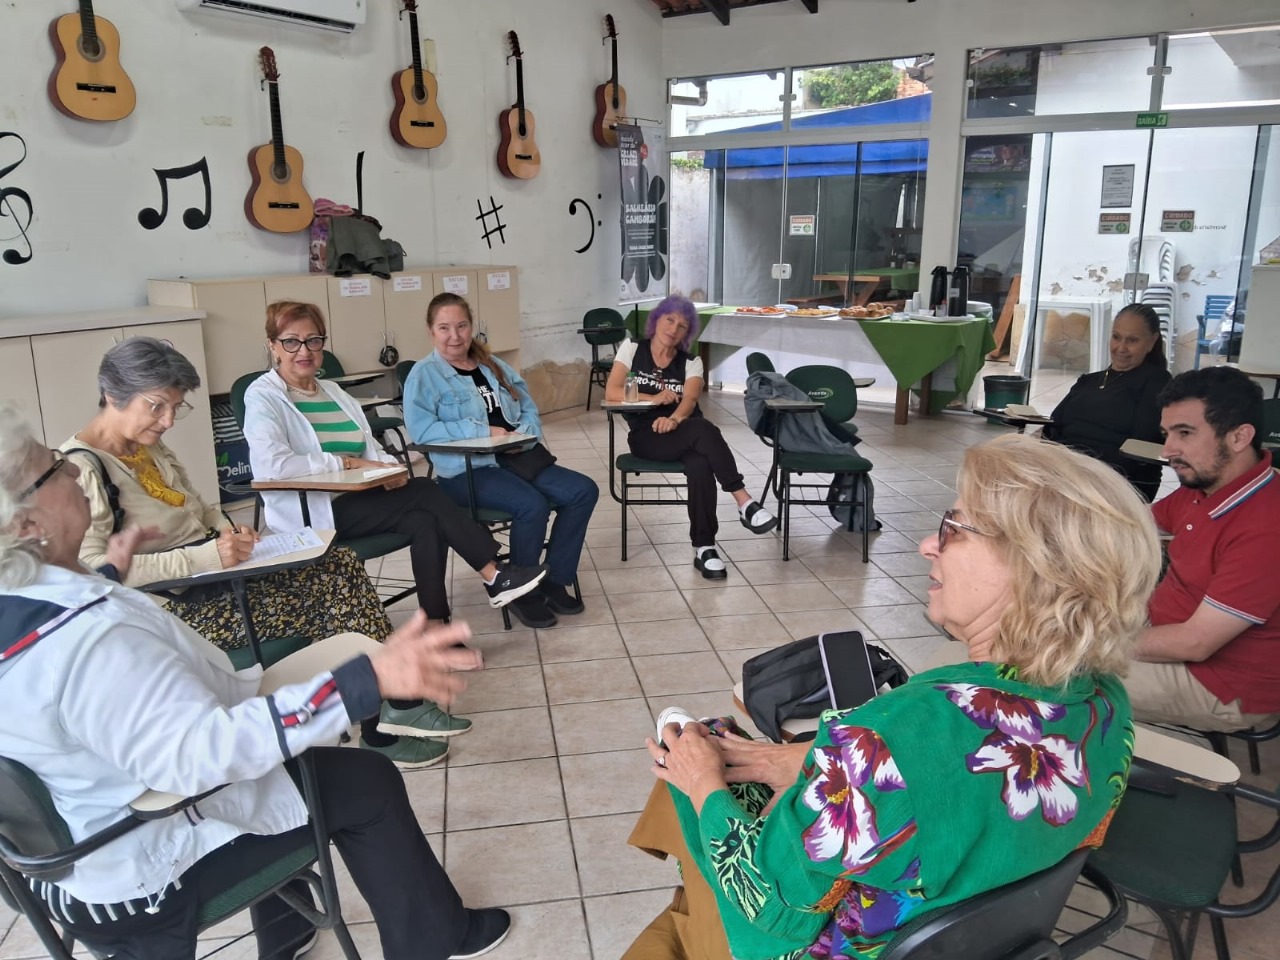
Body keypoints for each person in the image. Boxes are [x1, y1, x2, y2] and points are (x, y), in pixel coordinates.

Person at [0, 402, 511, 960]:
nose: (74, 470)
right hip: (137, 875)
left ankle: (287, 934)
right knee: (366, 783)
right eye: (55, 468)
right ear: (25, 524)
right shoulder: (96, 641)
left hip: (62, 865)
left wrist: (108, 574)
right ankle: (436, 940)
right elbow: (202, 754)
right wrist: (363, 681)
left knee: (297, 762)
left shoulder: (25, 601)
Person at [634, 434, 1158, 960]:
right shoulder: (1106, 707)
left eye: (954, 529)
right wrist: (818, 763)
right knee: (725, 758)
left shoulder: (886, 740)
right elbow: (961, 790)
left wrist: (702, 783)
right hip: (974, 945)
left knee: (695, 753)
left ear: (1032, 569)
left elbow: (774, 907)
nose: (928, 544)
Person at [62, 337, 461, 770]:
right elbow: (95, 570)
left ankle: (389, 706)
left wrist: (229, 531)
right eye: (157, 406)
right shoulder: (81, 468)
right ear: (112, 394)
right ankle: (386, 715)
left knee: (337, 563)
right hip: (176, 606)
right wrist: (207, 557)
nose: (169, 420)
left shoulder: (147, 444)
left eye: (176, 407)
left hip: (218, 576)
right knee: (328, 597)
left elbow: (200, 507)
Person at [242, 300, 546, 629]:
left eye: (313, 340)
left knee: (425, 521)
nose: (304, 351)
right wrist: (345, 463)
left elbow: (371, 446)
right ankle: (493, 574)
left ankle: (435, 626)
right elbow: (274, 466)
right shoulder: (263, 396)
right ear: (272, 346)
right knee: (425, 490)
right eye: (291, 342)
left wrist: (390, 468)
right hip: (315, 512)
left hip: (361, 499)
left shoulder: (332, 391)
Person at [402, 292, 598, 630]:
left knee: (583, 491)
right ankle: (522, 592)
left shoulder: (491, 364)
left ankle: (554, 580)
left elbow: (528, 407)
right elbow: (423, 432)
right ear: (430, 331)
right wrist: (483, 431)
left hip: (518, 460)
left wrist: (525, 435)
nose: (455, 336)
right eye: (444, 327)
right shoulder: (424, 375)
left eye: (462, 326)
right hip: (467, 472)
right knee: (531, 505)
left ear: (471, 326)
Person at [1125, 366, 1280, 733]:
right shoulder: (1206, 485)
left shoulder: (1267, 525)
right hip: (1170, 635)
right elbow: (1133, 523)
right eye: (1167, 434)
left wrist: (1093, 644)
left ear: (1239, 437)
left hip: (1222, 683)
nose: (1168, 450)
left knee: (1050, 672)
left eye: (1185, 433)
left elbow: (1195, 643)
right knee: (1041, 628)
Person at [604, 295, 777, 581]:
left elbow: (690, 399)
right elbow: (612, 392)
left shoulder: (691, 361)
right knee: (704, 430)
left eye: (682, 326)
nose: (674, 329)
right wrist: (653, 398)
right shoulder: (632, 348)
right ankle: (744, 501)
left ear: (687, 333)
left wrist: (673, 419)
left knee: (699, 461)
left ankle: (705, 547)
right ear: (656, 320)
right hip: (647, 436)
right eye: (669, 320)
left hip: (684, 429)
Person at [1043, 303, 1172, 501]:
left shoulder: (1156, 382)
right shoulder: (1088, 381)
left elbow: (1142, 445)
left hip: (1114, 480)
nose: (1121, 348)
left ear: (1152, 341)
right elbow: (1052, 427)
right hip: (1066, 470)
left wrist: (1078, 466)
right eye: (1116, 337)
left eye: (1132, 340)